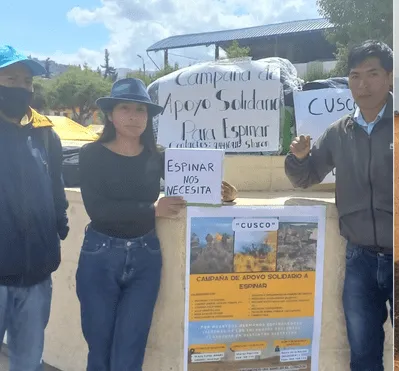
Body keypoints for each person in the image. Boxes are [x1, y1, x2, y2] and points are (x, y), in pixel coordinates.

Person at [77, 77, 237, 371]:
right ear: (110, 114)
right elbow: (98, 210)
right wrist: (153, 209)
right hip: (100, 256)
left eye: (141, 110)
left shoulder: (160, 156)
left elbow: (192, 183)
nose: (133, 116)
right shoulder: (92, 155)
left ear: (148, 117)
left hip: (145, 257)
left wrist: (219, 190)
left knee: (131, 347)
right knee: (99, 348)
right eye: (125, 108)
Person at [284, 40, 393, 371]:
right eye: (355, 75)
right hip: (359, 258)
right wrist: (299, 158)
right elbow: (306, 178)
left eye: (373, 74)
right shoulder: (338, 133)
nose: (363, 84)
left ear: (390, 77)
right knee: (362, 353)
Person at [0, 45, 70, 371]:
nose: (21, 87)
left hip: (37, 278)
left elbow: (55, 186)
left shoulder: (45, 135)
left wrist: (60, 218)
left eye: (26, 81)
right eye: (10, 78)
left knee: (28, 363)